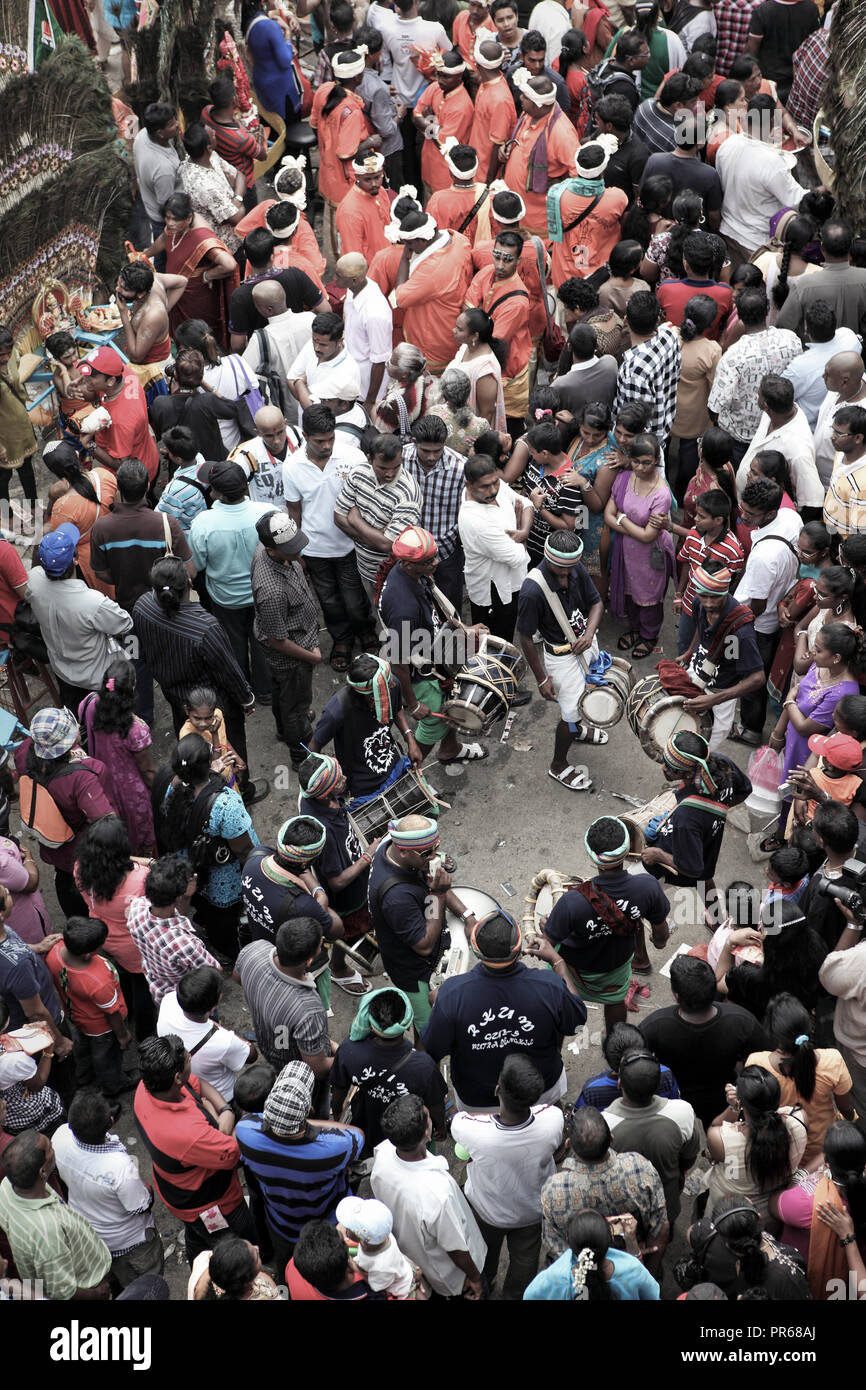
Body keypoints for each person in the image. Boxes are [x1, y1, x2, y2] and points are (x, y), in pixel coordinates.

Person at [423, 906, 586, 1109]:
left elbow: (432, 1049)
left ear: (475, 948)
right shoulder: (549, 985)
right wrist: (557, 960)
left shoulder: (451, 995)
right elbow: (577, 1022)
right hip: (542, 1091)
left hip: (478, 1100)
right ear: (519, 950)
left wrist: (440, 1007)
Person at [133, 1033, 257, 1264]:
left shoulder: (147, 1087)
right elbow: (235, 1152)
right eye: (188, 1058)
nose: (191, 1056)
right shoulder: (187, 1133)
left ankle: (197, 1259)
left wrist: (224, 1110)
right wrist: (238, 1116)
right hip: (209, 1202)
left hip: (178, 1189)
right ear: (177, 1077)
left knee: (198, 1234)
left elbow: (198, 1085)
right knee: (238, 1242)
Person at [541, 815, 670, 1027]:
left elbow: (544, 945)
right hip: (615, 968)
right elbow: (661, 934)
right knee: (615, 1000)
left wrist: (544, 928)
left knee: (558, 1002)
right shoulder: (648, 887)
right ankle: (615, 1041)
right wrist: (659, 942)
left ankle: (556, 1043)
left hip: (573, 969)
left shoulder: (571, 902)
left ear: (593, 857)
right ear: (627, 851)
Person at [451, 1055, 563, 1298]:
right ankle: (515, 1295)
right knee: (525, 1262)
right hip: (532, 1211)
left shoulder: (473, 1131)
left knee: (484, 1255)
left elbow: (458, 1119)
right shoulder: (553, 1119)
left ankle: (485, 1286)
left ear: (497, 1090)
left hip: (487, 1211)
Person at [235, 1058, 363, 1269]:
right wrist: (305, 1123)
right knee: (329, 1270)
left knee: (288, 1269)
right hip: (328, 1227)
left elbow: (253, 1118)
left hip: (282, 1224)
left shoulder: (246, 1133)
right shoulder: (333, 1149)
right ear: (309, 1109)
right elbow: (357, 1134)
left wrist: (287, 1118)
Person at [133, 556, 256, 766]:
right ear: (189, 583)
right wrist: (246, 699)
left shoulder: (142, 606)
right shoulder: (205, 627)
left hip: (176, 699)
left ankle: (198, 779)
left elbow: (138, 649)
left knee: (191, 747)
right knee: (228, 753)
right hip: (212, 707)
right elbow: (228, 670)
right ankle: (240, 789)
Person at [367, 814, 477, 1031]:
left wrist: (468, 916)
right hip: (416, 972)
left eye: (436, 848)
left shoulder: (392, 848)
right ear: (403, 851)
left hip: (422, 931)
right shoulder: (396, 898)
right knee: (428, 1029)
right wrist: (438, 895)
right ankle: (424, 1063)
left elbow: (434, 880)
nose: (435, 857)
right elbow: (424, 945)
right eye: (427, 853)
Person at [516, 530, 607, 790]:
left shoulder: (573, 567)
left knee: (591, 692)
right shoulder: (532, 591)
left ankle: (578, 731)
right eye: (562, 570)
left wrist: (589, 634)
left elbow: (596, 603)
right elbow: (524, 637)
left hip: (586, 643)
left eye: (571, 568)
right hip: (560, 658)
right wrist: (542, 677)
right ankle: (558, 765)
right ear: (548, 558)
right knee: (570, 714)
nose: (568, 575)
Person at [283, 402, 371, 673]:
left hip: (350, 545)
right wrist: (295, 552)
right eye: (320, 441)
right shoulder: (292, 467)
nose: (326, 445)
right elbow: (294, 510)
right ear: (305, 437)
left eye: (330, 438)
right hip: (315, 549)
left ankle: (367, 634)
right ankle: (342, 641)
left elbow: (366, 500)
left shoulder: (353, 457)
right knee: (329, 601)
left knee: (355, 598)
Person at [371, 1094, 487, 1297]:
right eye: (429, 1116)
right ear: (427, 1133)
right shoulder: (437, 1194)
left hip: (413, 1256)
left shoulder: (382, 1154)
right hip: (452, 1277)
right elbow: (456, 1249)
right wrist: (475, 1277)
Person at [156, 733, 258, 962]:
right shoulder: (225, 803)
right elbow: (242, 850)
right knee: (225, 919)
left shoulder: (174, 787)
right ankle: (228, 951)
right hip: (221, 876)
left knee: (206, 908)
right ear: (205, 766)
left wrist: (211, 770)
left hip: (192, 867)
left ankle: (208, 926)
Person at [640, 954, 767, 1130]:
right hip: (723, 1096)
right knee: (716, 1131)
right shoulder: (742, 1021)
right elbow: (765, 1058)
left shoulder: (655, 1026)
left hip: (674, 1099)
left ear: (676, 996)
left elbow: (633, 1062)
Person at [13, 706, 117, 920]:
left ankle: (76, 923)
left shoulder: (23, 751)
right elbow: (104, 823)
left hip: (53, 841)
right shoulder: (86, 775)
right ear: (68, 742)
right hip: (82, 849)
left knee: (65, 879)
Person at [52, 1089, 163, 1290]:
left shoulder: (60, 1138)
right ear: (111, 1123)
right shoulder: (119, 1166)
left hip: (91, 1240)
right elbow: (140, 1206)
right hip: (130, 1245)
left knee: (113, 1285)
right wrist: (147, 1190)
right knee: (148, 1289)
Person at [540, 1105, 669, 1271]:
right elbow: (660, 1228)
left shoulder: (553, 1190)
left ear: (568, 1144)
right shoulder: (639, 1168)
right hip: (632, 1262)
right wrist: (646, 1273)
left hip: (585, 1276)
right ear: (612, 1139)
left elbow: (556, 1246)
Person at [189, 460, 275, 706]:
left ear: (217, 493)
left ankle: (242, 690)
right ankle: (266, 690)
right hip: (262, 592)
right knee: (262, 640)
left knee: (233, 644)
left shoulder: (204, 523)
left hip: (226, 598)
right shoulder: (267, 512)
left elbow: (198, 564)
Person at [331, 987, 447, 1155]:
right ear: (407, 1025)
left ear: (370, 1022)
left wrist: (338, 1115)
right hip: (408, 1136)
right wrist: (441, 1127)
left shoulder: (349, 1050)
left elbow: (338, 1092)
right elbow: (436, 1105)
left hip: (365, 1126)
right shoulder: (424, 1066)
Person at [748, 992, 855, 1170]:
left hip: (783, 1152)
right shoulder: (833, 1060)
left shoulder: (757, 1063)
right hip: (822, 1151)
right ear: (808, 1025)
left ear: (772, 1033)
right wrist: (849, 1120)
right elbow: (845, 1106)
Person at [0, 1130, 111, 1300]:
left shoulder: (7, 1188)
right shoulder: (47, 1234)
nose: (53, 1148)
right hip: (88, 1285)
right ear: (43, 1172)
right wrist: (95, 1294)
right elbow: (63, 1291)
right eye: (50, 1148)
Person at [733, 476, 803, 742]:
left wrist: (738, 624)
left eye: (751, 514)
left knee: (751, 678)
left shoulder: (764, 556)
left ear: (770, 512)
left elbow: (758, 605)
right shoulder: (790, 517)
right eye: (743, 509)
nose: (744, 516)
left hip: (758, 623)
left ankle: (750, 729)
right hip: (775, 609)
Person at [676, 558, 765, 752]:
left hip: (721, 692)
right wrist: (690, 651)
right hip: (697, 674)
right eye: (704, 596)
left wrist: (713, 700)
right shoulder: (698, 603)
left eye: (715, 597)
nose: (708, 603)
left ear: (726, 591)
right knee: (683, 727)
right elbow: (701, 628)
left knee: (709, 742)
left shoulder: (742, 630)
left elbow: (758, 678)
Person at [603, 1048, 700, 1225]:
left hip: (625, 1207)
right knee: (665, 1230)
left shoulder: (604, 1125)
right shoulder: (682, 1112)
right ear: (657, 1085)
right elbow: (689, 1156)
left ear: (619, 1083)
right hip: (666, 1199)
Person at [708, 288, 802, 465]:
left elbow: (716, 405)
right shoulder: (791, 340)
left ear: (740, 317)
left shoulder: (733, 356)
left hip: (741, 438)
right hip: (779, 429)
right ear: (767, 310)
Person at [235, 917, 333, 1084]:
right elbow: (318, 1069)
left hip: (267, 1044)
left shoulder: (254, 950)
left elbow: (238, 977)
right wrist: (347, 1058)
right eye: (320, 946)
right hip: (295, 1069)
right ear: (308, 961)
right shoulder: (308, 1009)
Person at [706, 1063, 807, 1222]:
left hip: (732, 1215)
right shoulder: (798, 1121)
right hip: (772, 1214)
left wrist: (733, 1107)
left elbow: (715, 1128)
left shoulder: (722, 1140)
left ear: (742, 1102)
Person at [46, 916, 132, 1101]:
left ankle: (83, 1077)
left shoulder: (54, 951)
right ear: (86, 954)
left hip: (75, 1016)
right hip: (102, 1028)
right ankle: (113, 1085)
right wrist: (122, 1035)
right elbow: (112, 1013)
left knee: (82, 1049)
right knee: (106, 1057)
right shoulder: (98, 981)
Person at [334, 432, 423, 611]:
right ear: (369, 458)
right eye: (383, 468)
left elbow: (388, 545)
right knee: (375, 613)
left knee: (396, 621)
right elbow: (338, 518)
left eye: (396, 467)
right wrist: (377, 535)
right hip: (364, 567)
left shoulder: (408, 494)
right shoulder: (358, 474)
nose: (389, 474)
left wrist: (356, 521)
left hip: (394, 575)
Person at [716, 94, 808, 266]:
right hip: (756, 244)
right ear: (772, 121)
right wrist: (824, 190)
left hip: (729, 233)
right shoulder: (771, 161)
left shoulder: (726, 145)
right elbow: (797, 200)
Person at [606, 432, 675, 658]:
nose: (641, 467)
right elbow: (608, 514)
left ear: (656, 460)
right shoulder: (625, 477)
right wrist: (629, 525)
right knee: (629, 593)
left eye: (647, 462)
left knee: (649, 597)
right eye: (636, 461)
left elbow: (648, 536)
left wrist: (622, 518)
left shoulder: (661, 493)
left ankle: (649, 635)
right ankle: (635, 630)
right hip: (626, 550)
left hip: (651, 555)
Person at [143, 192, 240, 348]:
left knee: (197, 337)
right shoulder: (175, 228)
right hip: (177, 293)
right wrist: (144, 255)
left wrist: (208, 275)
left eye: (175, 219)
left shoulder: (201, 237)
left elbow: (229, 264)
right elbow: (163, 239)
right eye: (167, 218)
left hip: (197, 299)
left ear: (188, 219)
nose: (170, 223)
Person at [125, 853, 221, 1004]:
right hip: (191, 1000)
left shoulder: (136, 908)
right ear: (177, 897)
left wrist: (185, 896)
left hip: (160, 990)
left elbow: (176, 916)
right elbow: (215, 972)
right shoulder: (187, 945)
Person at [458, 453, 533, 642]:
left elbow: (526, 503)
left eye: (496, 482)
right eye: (485, 486)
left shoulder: (493, 488)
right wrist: (520, 528)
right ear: (468, 485)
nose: (492, 490)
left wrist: (522, 530)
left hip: (510, 583)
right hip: (493, 593)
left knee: (504, 639)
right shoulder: (476, 522)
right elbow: (518, 557)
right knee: (492, 646)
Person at [400, 416, 469, 611]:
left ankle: (450, 640)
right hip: (409, 551)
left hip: (445, 551)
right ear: (415, 443)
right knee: (411, 605)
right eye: (426, 451)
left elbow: (465, 509)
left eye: (436, 451)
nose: (431, 457)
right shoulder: (400, 459)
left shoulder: (460, 467)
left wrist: (453, 535)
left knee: (448, 607)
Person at [157, 965, 255, 1101]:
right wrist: (220, 1029)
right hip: (223, 1096)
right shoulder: (223, 1041)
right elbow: (251, 1055)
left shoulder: (168, 1001)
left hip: (190, 1089)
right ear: (212, 1009)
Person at [524, 1206, 660, 1300]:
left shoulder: (553, 1278)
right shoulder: (632, 1269)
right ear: (611, 1237)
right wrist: (631, 1242)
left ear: (568, 1239)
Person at [502, 74, 580, 237]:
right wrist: (505, 149)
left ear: (539, 104)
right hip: (516, 211)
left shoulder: (561, 133)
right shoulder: (528, 114)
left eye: (526, 97)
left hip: (538, 223)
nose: (521, 98)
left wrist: (560, 186)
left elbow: (579, 176)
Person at [735, 376, 823, 520]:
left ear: (765, 405)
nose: (756, 395)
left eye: (758, 394)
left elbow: (812, 501)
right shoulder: (775, 414)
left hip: (762, 516)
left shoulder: (799, 451)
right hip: (746, 508)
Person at [228, 228, 328, 352]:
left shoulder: (240, 296)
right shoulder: (295, 275)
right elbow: (325, 309)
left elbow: (237, 344)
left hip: (264, 358)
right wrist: (303, 325)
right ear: (272, 256)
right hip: (300, 349)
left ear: (245, 255)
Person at [151, 346, 256, 461]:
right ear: (201, 376)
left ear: (175, 374)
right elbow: (232, 408)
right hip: (212, 466)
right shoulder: (208, 401)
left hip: (182, 467)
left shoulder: (160, 404)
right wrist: (205, 385)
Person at [547, 139, 628, 288]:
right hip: (599, 279)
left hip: (564, 276)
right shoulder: (617, 198)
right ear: (604, 170)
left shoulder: (557, 194)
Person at [76, 345, 160, 485]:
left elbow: (122, 465)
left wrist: (89, 444)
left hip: (137, 477)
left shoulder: (121, 421)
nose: (85, 378)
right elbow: (97, 394)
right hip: (146, 450)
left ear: (110, 381)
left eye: (92, 376)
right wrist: (79, 390)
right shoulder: (124, 373)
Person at [42, 441, 118, 596]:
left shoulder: (63, 507)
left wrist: (52, 498)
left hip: (92, 560)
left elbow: (59, 543)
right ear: (76, 455)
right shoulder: (104, 475)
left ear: (55, 473)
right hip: (115, 541)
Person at [778, 218, 866, 340]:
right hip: (858, 355)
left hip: (816, 354)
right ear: (851, 246)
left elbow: (783, 326)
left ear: (822, 248)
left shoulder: (804, 285)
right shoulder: (863, 278)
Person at [612, 292, 682, 443]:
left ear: (625, 320)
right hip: (665, 426)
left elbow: (637, 424)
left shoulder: (633, 371)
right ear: (657, 319)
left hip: (646, 445)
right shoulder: (669, 336)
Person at [114, 260, 185, 402]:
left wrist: (124, 315)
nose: (118, 290)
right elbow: (182, 281)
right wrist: (166, 309)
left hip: (153, 370)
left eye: (124, 289)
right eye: (119, 284)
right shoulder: (153, 278)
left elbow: (136, 356)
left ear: (140, 294)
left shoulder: (153, 315)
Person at [334, 253, 393, 410]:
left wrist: (370, 401)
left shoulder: (375, 313)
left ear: (354, 280)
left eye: (339, 276)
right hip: (351, 379)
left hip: (366, 390)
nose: (335, 279)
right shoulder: (353, 289)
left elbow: (380, 360)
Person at [179, 120, 247, 254]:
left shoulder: (209, 156)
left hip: (236, 232)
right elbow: (236, 218)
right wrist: (238, 196)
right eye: (213, 135)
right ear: (208, 147)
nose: (216, 133)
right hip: (228, 247)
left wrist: (235, 198)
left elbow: (240, 176)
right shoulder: (203, 185)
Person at [200, 76, 266, 209]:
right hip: (243, 186)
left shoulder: (206, 113)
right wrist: (259, 134)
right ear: (234, 100)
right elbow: (263, 156)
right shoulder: (240, 138)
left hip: (224, 178)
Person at [241, 0, 302, 124]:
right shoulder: (270, 26)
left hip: (262, 83)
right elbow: (285, 60)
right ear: (263, 2)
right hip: (280, 88)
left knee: (271, 124)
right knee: (288, 126)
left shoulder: (249, 22)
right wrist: (287, 35)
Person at [132, 102, 181, 252]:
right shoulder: (163, 170)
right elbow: (167, 206)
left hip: (148, 200)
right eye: (172, 124)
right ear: (160, 133)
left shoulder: (142, 136)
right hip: (162, 220)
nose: (178, 125)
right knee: (165, 254)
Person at [471, 39, 519, 182]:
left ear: (478, 64)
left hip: (485, 175)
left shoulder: (500, 100)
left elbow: (498, 145)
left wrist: (489, 180)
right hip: (477, 165)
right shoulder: (487, 83)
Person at [188, 1234, 281, 1300]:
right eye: (256, 1256)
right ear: (246, 1281)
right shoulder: (266, 1290)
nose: (257, 1247)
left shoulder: (205, 1259)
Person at [823, 404, 866, 539]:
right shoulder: (841, 453)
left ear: (858, 438)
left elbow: (860, 534)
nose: (832, 437)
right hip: (829, 533)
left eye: (839, 434)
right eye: (833, 430)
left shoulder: (862, 485)